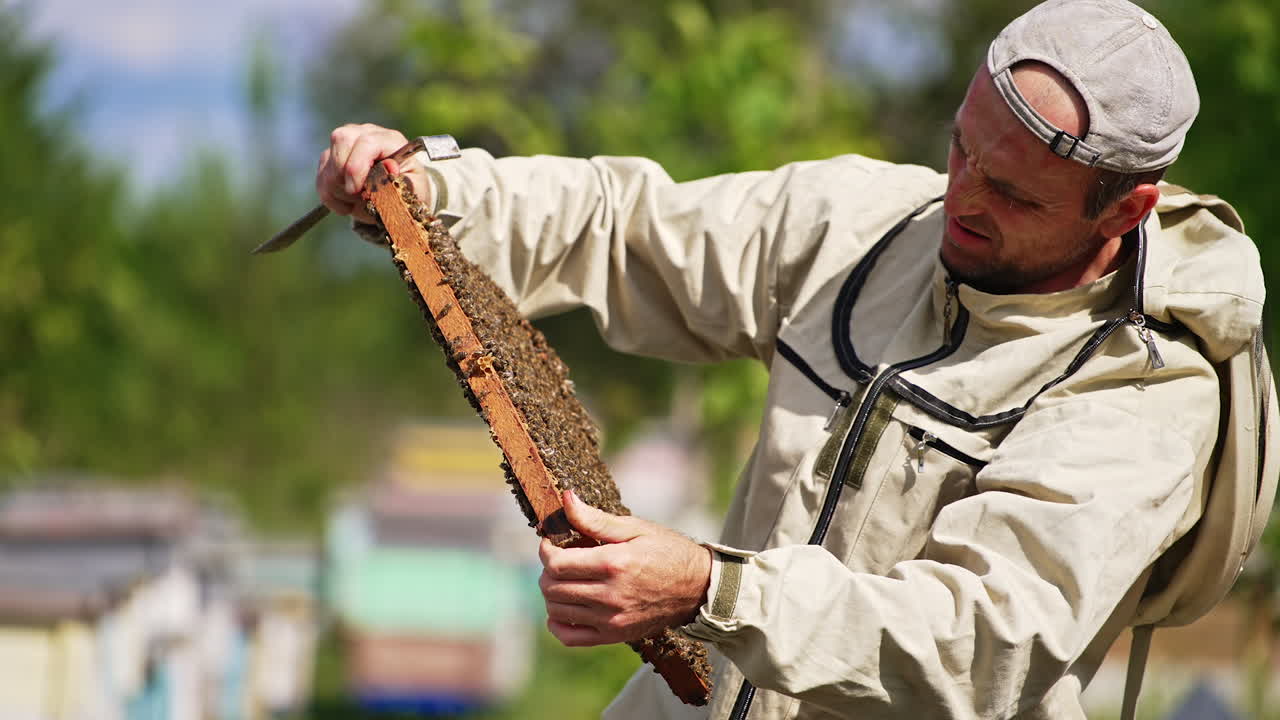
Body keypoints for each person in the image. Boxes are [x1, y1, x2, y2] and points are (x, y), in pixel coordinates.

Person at [314, 1, 1275, 717]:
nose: (966, 196)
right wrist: (435, 192)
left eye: (1015, 195)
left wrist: (707, 589)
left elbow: (981, 641)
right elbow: (628, 229)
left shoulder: (1148, 393)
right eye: (961, 152)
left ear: (1124, 211)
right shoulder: (864, 225)